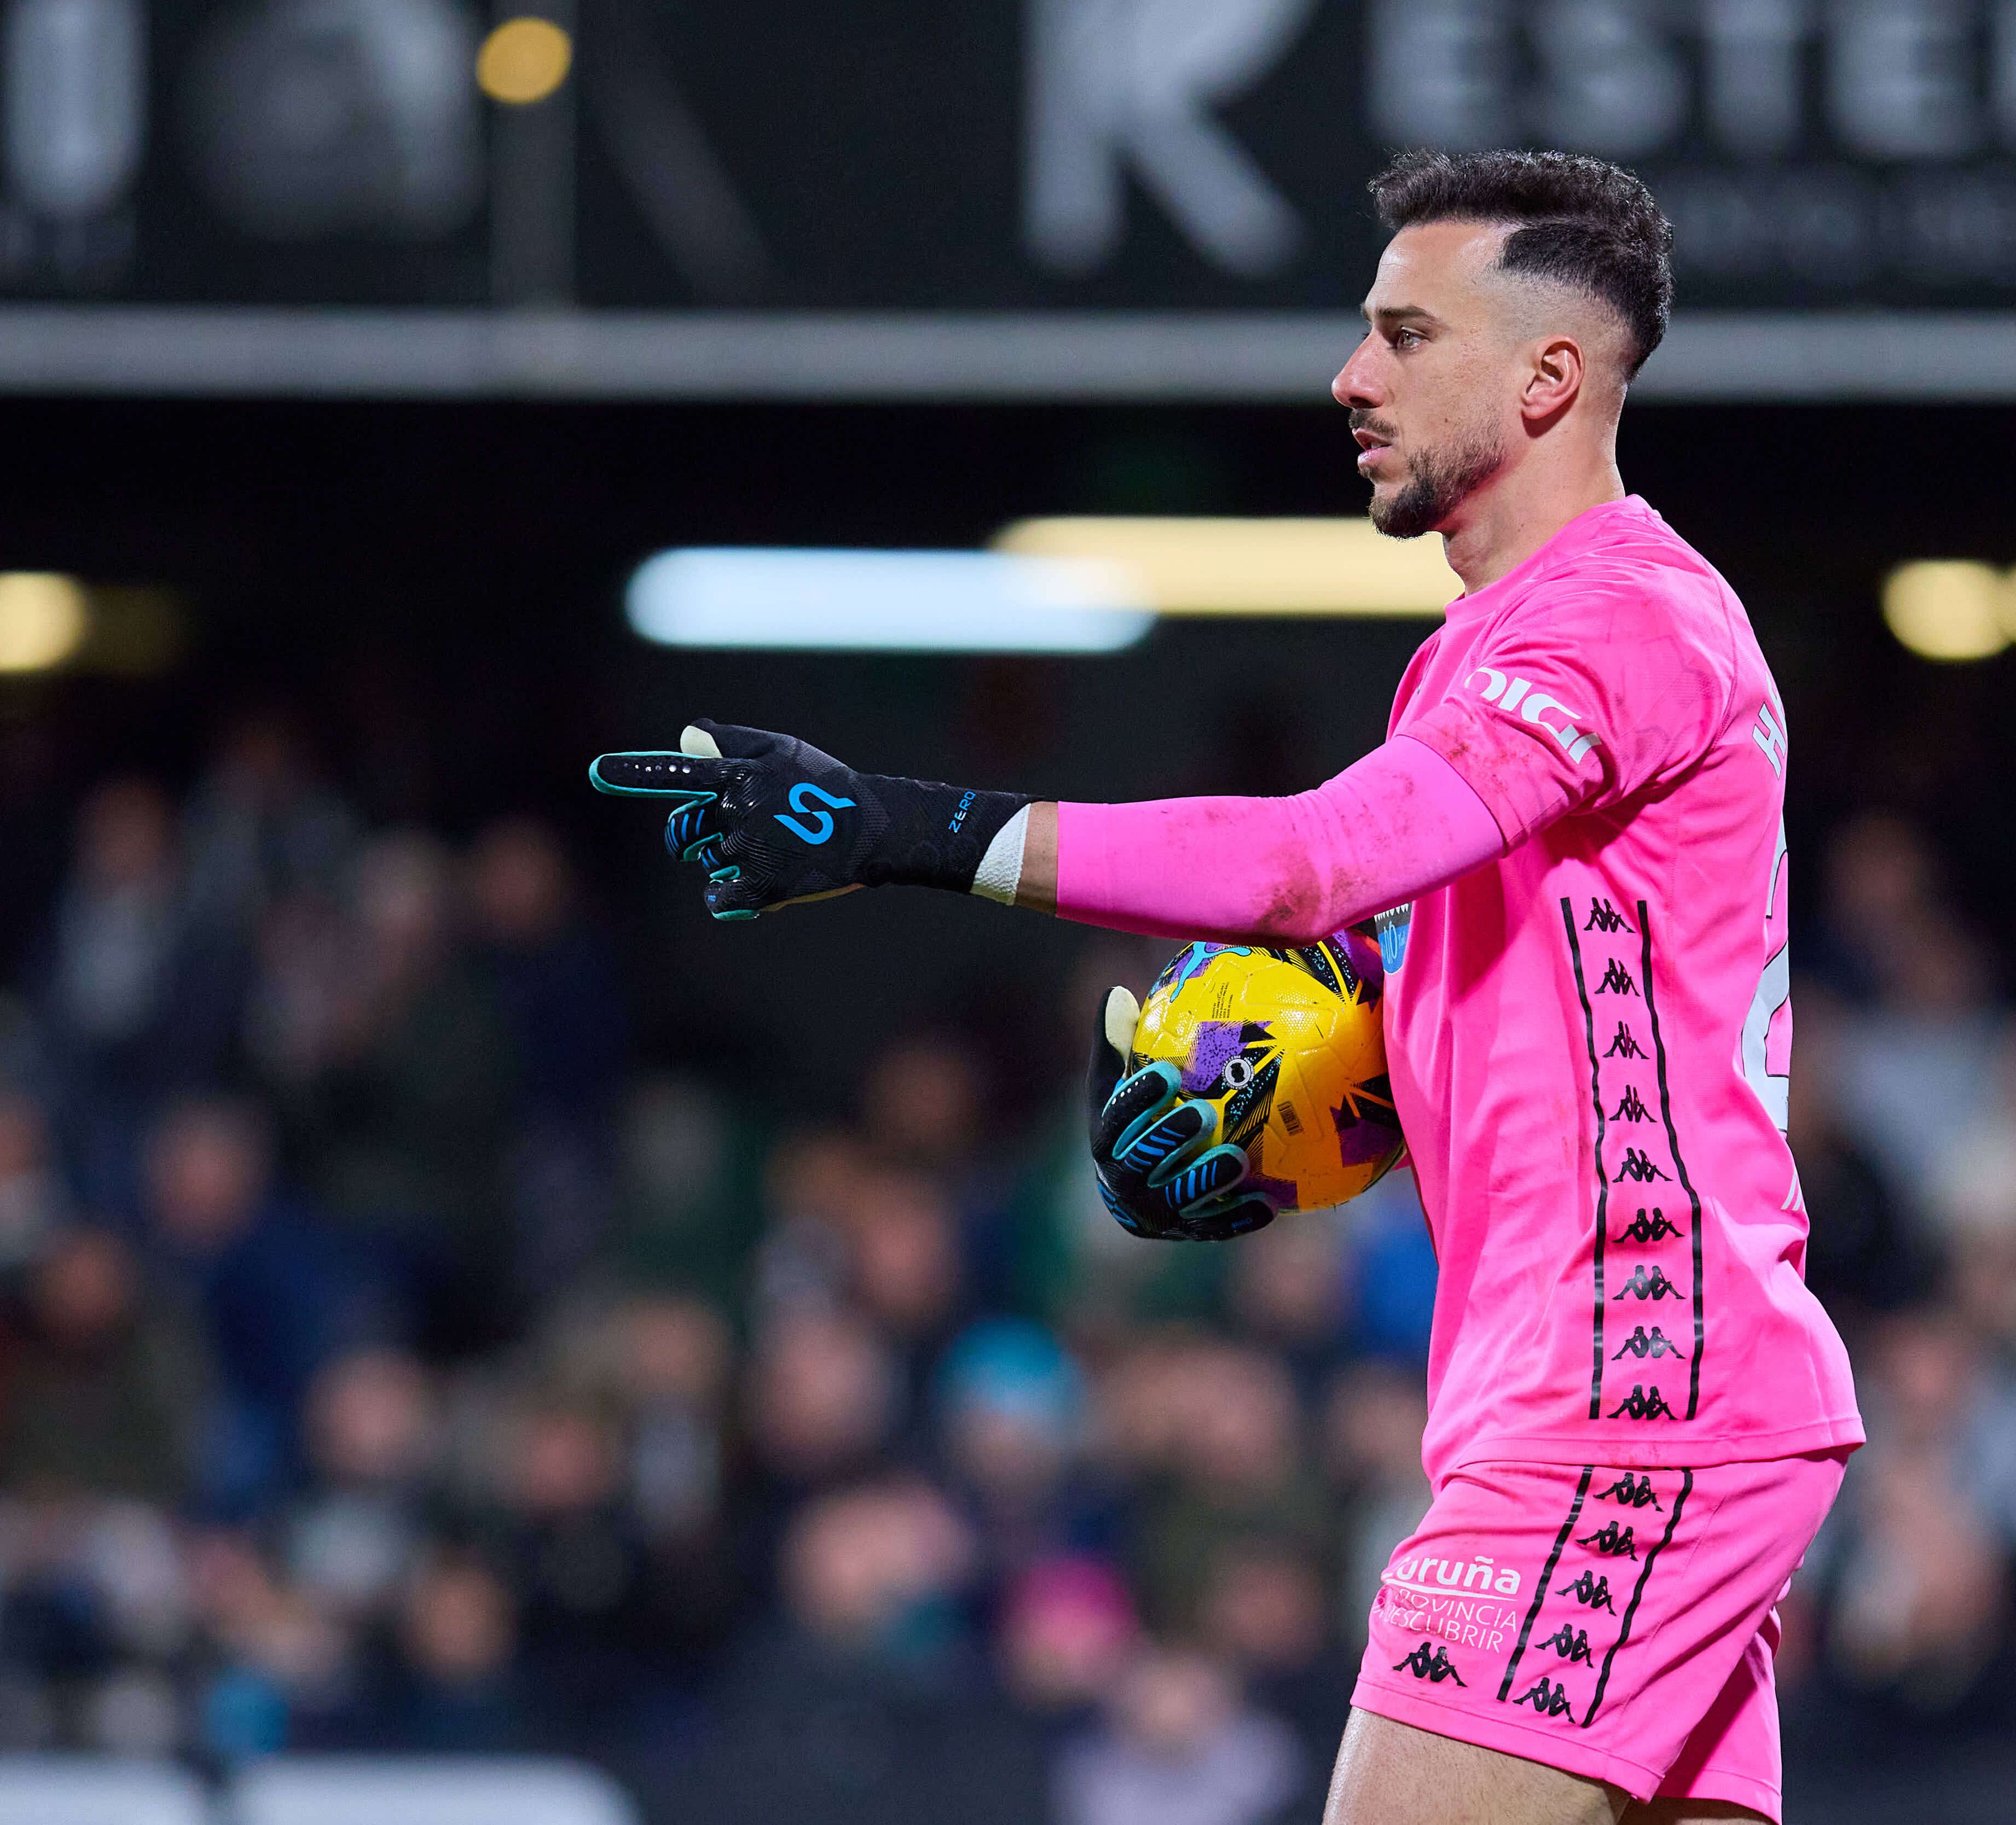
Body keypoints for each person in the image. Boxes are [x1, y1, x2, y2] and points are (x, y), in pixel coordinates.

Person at [592, 149, 1861, 1825]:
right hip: (1630, 1390)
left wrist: (908, 829)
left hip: (1631, 1400)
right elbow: (1517, 1028)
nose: (1352, 377)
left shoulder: (1619, 622)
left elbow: (1307, 868)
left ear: (1550, 377)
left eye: (1407, 335)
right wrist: (1275, 1125)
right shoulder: (1492, 651)